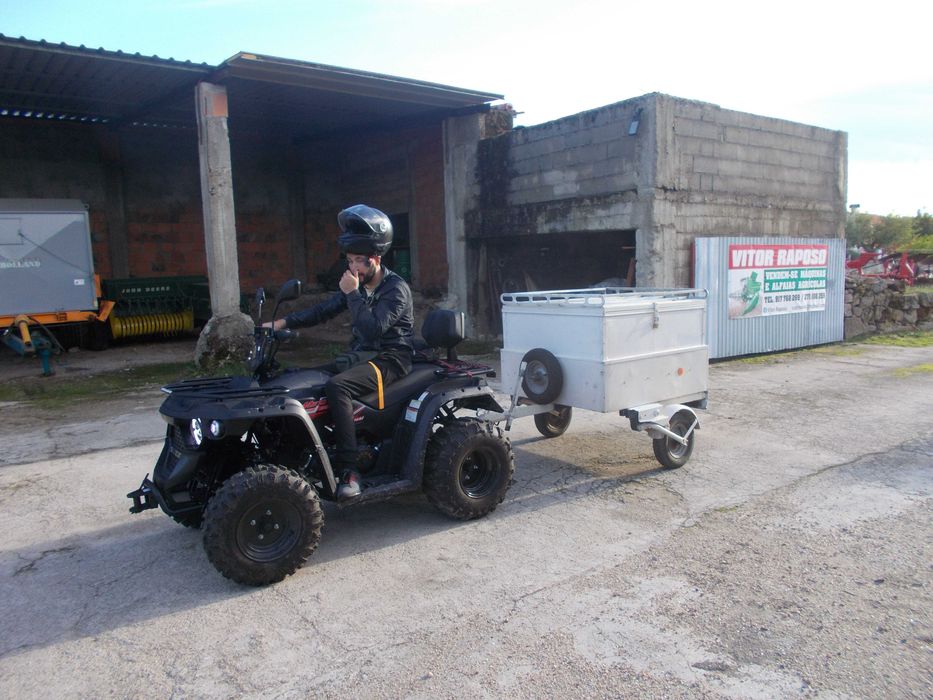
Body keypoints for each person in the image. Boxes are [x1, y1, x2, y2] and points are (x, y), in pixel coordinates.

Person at [266, 204, 414, 499]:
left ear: (376, 258)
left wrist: (352, 293)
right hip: (362, 355)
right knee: (302, 380)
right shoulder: (356, 285)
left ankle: (350, 468)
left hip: (391, 358)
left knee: (337, 387)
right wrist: (281, 322)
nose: (353, 268)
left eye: (359, 261)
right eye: (349, 261)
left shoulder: (395, 289)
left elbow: (373, 329)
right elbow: (323, 311)